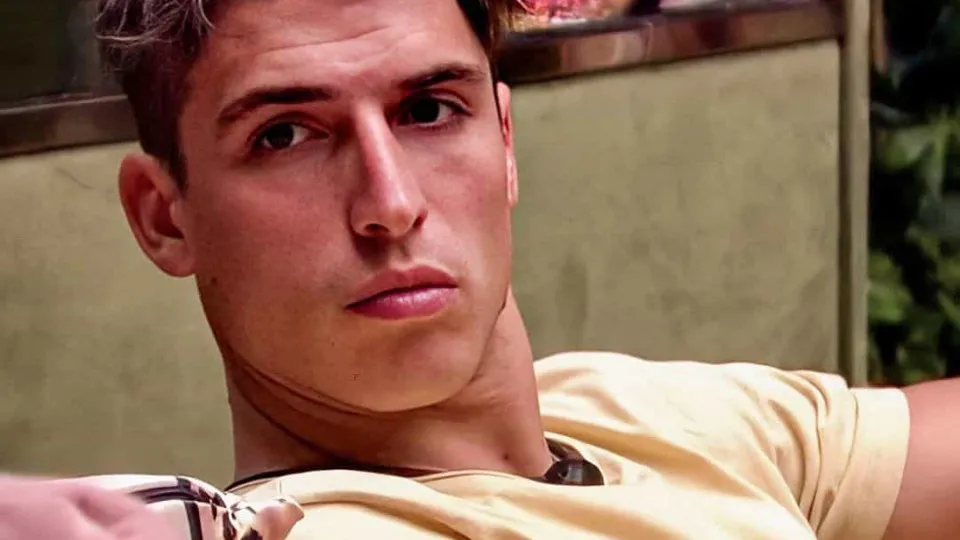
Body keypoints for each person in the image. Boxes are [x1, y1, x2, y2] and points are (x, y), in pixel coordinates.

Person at [2, 0, 958, 538]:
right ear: (163, 217)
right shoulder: (318, 528)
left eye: (428, 111)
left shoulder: (640, 412)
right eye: (284, 134)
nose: (389, 203)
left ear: (504, 140)